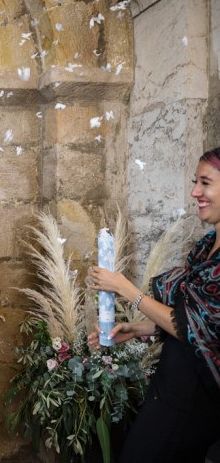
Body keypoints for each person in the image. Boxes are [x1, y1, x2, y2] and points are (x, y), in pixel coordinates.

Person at [88, 148, 220, 462]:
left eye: (205, 183)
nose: (194, 192)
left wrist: (124, 288)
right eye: (195, 182)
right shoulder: (206, 247)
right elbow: (192, 320)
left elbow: (197, 330)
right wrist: (137, 329)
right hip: (171, 387)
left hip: (192, 398)